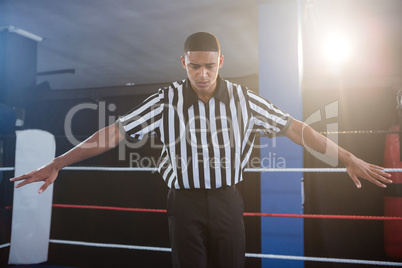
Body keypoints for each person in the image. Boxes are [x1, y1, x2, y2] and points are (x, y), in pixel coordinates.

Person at [11, 32, 392, 267]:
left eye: (209, 65)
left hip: (228, 201)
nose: (203, 74)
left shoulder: (246, 100)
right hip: (184, 204)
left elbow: (296, 128)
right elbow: (114, 133)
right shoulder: (165, 100)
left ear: (220, 62)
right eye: (195, 66)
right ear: (184, 63)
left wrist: (348, 157)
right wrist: (58, 162)